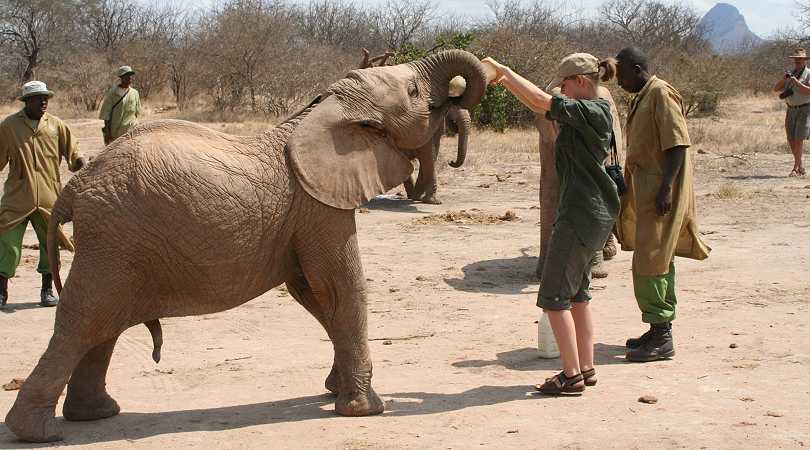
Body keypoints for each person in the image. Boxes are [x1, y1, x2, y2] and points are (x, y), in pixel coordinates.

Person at [483, 53, 620, 394]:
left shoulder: (592, 109)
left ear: (582, 82)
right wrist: (505, 80)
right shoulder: (588, 113)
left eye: (565, 83)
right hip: (595, 215)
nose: (561, 89)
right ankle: (586, 368)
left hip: (579, 215)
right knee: (579, 296)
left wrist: (507, 70)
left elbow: (544, 101)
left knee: (553, 297)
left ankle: (570, 375)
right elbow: (542, 104)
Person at [614, 47, 711, 362]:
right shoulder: (644, 94)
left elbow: (678, 144)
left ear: (638, 68)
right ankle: (657, 327)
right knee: (657, 258)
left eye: (623, 74)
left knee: (651, 261)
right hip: (648, 188)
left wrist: (666, 188)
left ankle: (662, 337)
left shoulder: (661, 93)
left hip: (659, 191)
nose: (619, 81)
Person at [0, 81, 87, 309]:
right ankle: (1, 292)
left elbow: (74, 155)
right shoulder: (9, 127)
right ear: (27, 101)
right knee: (8, 245)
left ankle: (47, 290)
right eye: (39, 98)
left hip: (49, 199)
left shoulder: (56, 126)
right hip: (17, 199)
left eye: (46, 97)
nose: (44, 101)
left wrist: (82, 163)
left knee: (50, 247)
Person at [535, 85, 624, 280]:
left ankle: (588, 254)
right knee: (568, 189)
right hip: (569, 146)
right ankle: (583, 257)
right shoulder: (594, 100)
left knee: (582, 188)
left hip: (580, 146)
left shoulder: (593, 104)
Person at [772, 48, 810, 177]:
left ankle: (795, 168)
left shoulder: (809, 74)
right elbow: (776, 89)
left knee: (799, 139)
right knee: (791, 139)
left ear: (805, 60)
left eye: (800, 59)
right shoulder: (790, 74)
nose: (798, 61)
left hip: (804, 109)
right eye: (796, 59)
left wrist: (797, 83)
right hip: (791, 109)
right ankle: (800, 165)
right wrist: (784, 79)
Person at [99, 65, 141, 145]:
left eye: (130, 76)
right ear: (121, 78)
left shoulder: (135, 93)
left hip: (131, 131)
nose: (130, 79)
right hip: (116, 133)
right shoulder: (112, 93)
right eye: (127, 76)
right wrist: (107, 133)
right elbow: (106, 114)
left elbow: (137, 113)